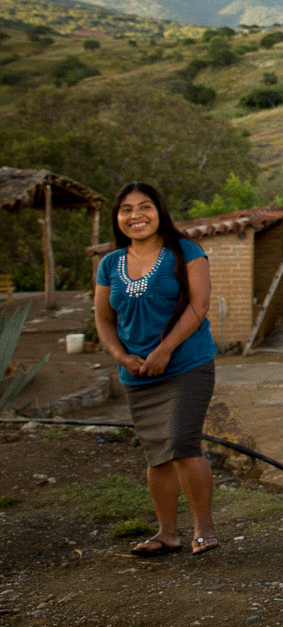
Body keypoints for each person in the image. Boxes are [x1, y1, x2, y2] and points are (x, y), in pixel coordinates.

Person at [92, 181, 219, 557]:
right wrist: (120, 355)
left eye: (144, 207)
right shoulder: (109, 264)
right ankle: (167, 534)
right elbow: (102, 319)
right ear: (118, 219)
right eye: (127, 209)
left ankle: (204, 529)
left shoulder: (185, 253)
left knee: (181, 442)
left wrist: (164, 350)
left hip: (186, 364)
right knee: (156, 453)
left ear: (159, 212)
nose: (136, 216)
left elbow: (199, 307)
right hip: (138, 373)